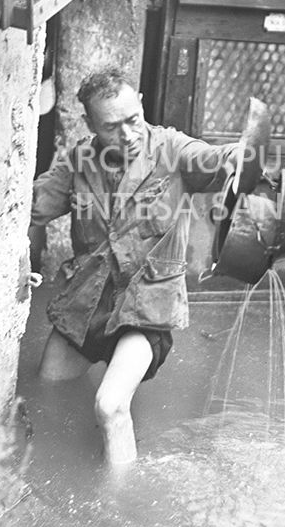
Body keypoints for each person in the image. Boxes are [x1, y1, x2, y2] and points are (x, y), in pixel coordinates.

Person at [30, 62, 240, 467]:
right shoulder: (78, 161)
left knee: (110, 407)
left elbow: (216, 159)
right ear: (90, 124)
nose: (127, 135)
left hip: (146, 309)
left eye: (133, 120)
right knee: (47, 391)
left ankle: (118, 497)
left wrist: (240, 157)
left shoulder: (173, 150)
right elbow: (29, 206)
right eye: (111, 127)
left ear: (142, 104)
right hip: (86, 306)